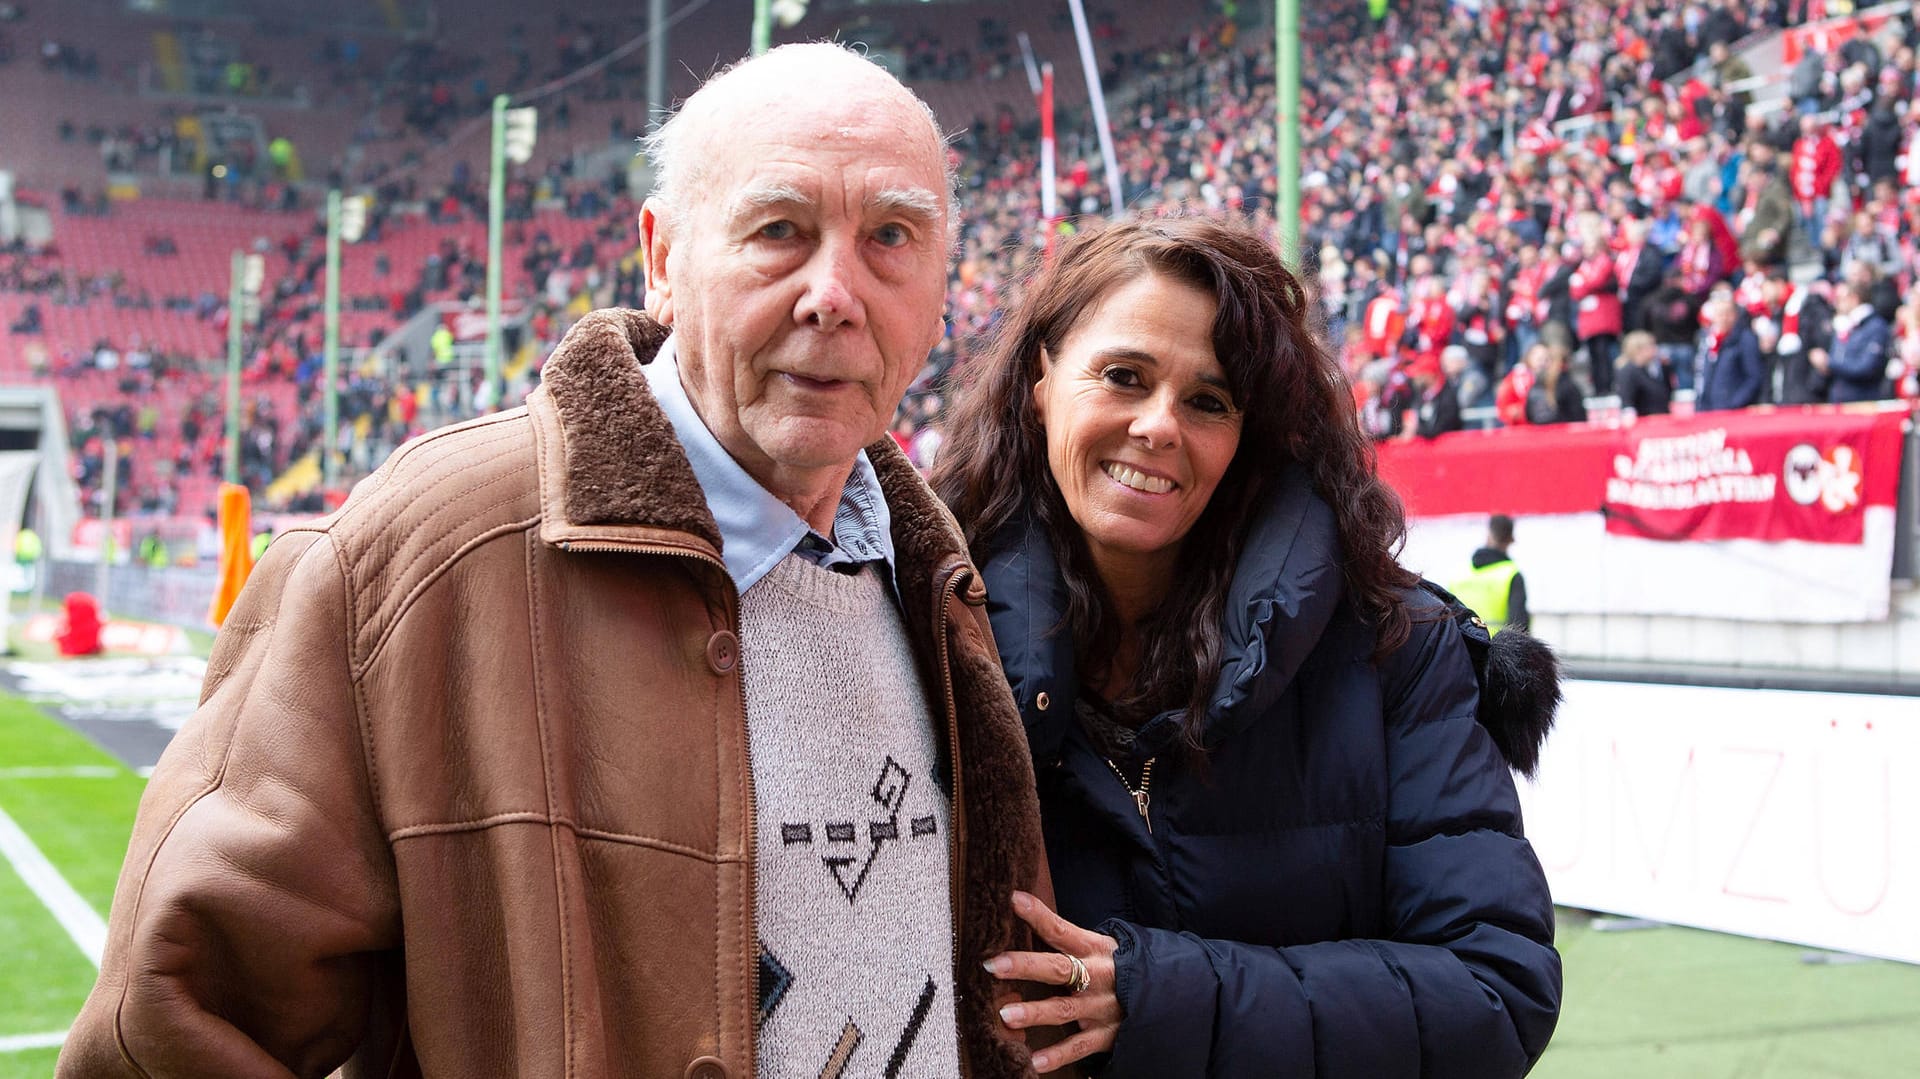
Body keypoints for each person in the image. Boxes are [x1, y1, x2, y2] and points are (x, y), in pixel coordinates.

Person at [60, 44, 1053, 1079]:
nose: (835, 293)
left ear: (943, 274)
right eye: (778, 231)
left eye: (892, 235)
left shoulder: (936, 566)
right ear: (662, 260)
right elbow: (172, 1027)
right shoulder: (417, 556)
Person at [932, 218, 1562, 1076]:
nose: (1159, 426)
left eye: (1209, 400)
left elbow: (1496, 990)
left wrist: (1168, 997)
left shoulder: (1395, 648)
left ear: (1252, 436)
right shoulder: (933, 630)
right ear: (1042, 379)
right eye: (1124, 376)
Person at [1452, 514, 1531, 635]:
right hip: (1495, 651)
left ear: (1488, 536)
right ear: (1511, 539)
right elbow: (1519, 630)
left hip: (1461, 650)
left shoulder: (1459, 574)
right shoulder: (1511, 575)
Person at [1695, 289, 1766, 411]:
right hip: (1712, 411)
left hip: (1734, 412)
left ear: (1735, 315)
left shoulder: (1745, 339)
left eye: (1727, 313)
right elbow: (1705, 378)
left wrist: (1734, 404)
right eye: (1719, 314)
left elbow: (1754, 377)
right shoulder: (1709, 341)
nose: (1723, 318)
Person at [1615, 330, 1672, 417]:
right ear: (1638, 349)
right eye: (1651, 346)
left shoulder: (1655, 368)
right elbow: (1627, 402)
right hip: (1644, 421)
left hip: (1661, 418)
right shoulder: (1628, 372)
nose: (1655, 349)